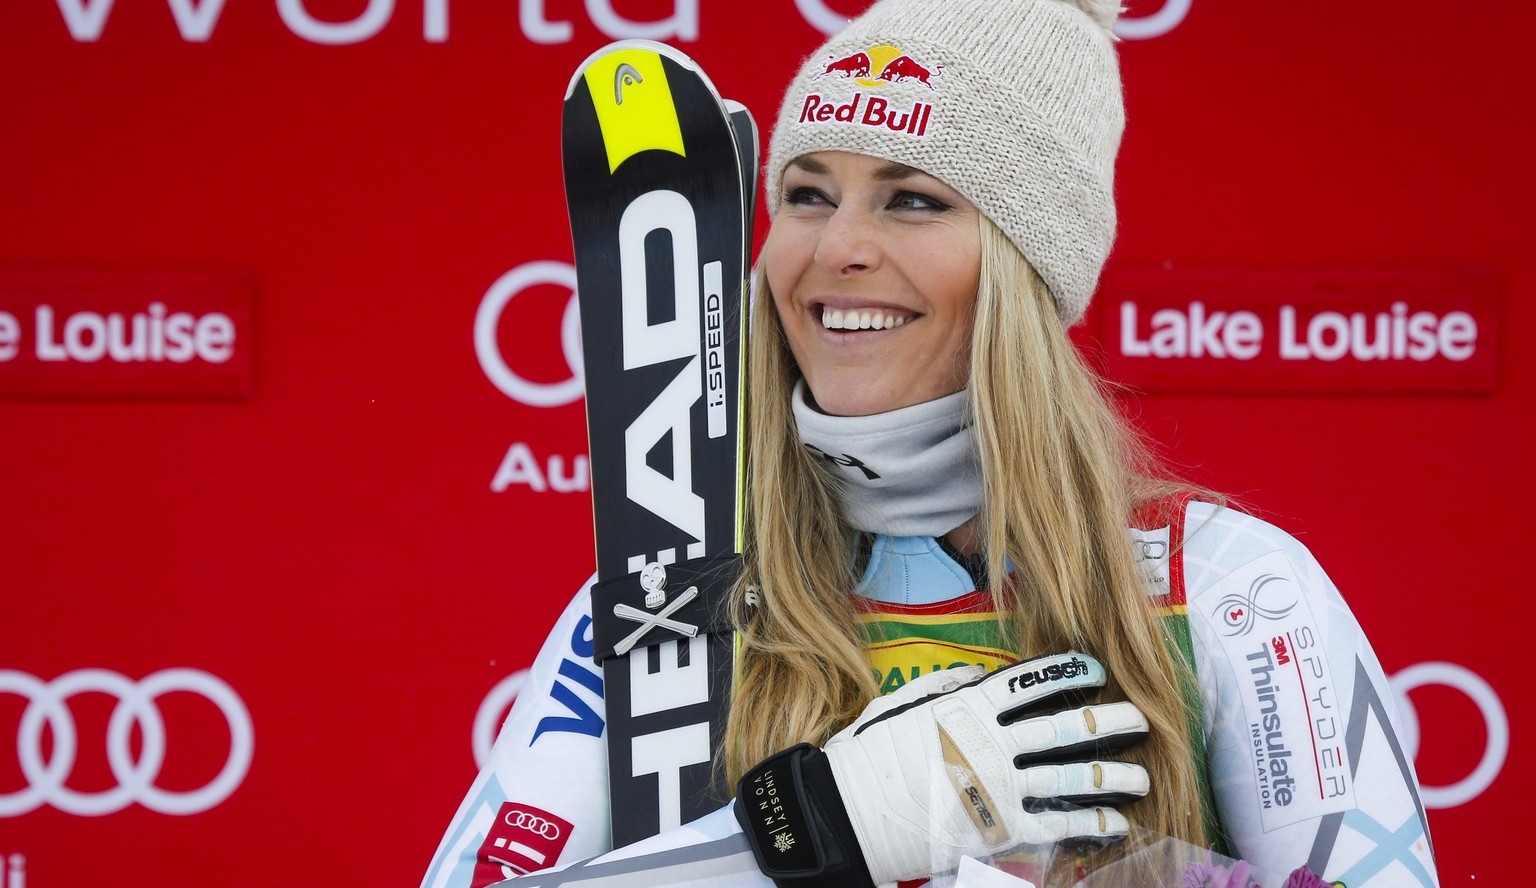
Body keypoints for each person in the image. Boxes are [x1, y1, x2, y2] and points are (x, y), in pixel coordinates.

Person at [421, 0, 1440, 885]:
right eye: (807, 194)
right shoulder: (674, 587)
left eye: (912, 200)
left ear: (1022, 270)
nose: (838, 247)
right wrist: (814, 832)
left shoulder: (1218, 588)